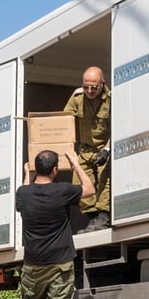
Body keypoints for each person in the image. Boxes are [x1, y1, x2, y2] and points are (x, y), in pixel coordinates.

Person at [12, 147, 95, 299]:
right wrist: (76, 163)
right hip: (60, 261)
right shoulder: (62, 191)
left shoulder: (23, 194)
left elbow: (25, 191)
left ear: (36, 168)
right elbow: (90, 190)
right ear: (56, 170)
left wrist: (26, 173)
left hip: (33, 262)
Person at [63, 65, 112, 230]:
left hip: (104, 147)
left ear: (102, 83)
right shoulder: (77, 97)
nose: (90, 90)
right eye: (86, 87)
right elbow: (64, 122)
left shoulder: (112, 99)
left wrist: (107, 149)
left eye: (94, 87)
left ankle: (104, 217)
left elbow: (120, 125)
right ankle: (92, 218)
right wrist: (68, 150)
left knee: (105, 181)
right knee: (80, 184)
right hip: (85, 149)